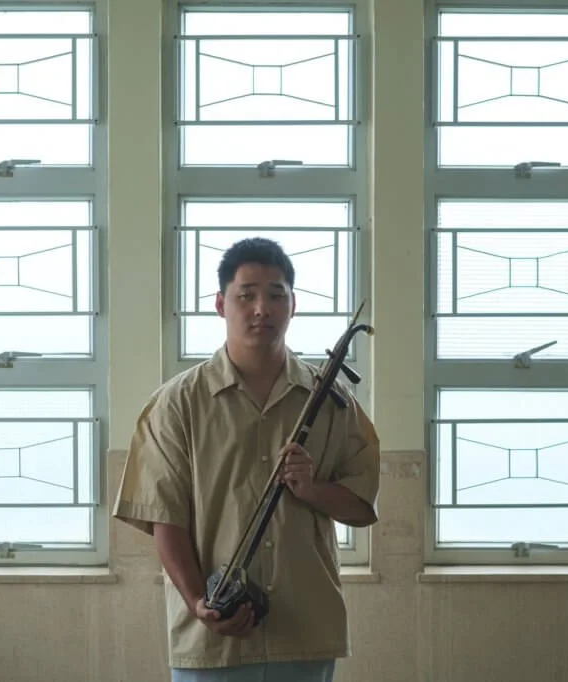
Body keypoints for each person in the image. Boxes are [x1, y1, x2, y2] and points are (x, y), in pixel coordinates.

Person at [112, 237, 381, 682]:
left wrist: (312, 489)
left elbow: (362, 507)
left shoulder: (333, 402)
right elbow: (165, 519)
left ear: (293, 305)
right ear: (221, 304)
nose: (262, 309)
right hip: (213, 638)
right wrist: (198, 602)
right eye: (246, 295)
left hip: (305, 632)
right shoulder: (178, 403)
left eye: (276, 295)